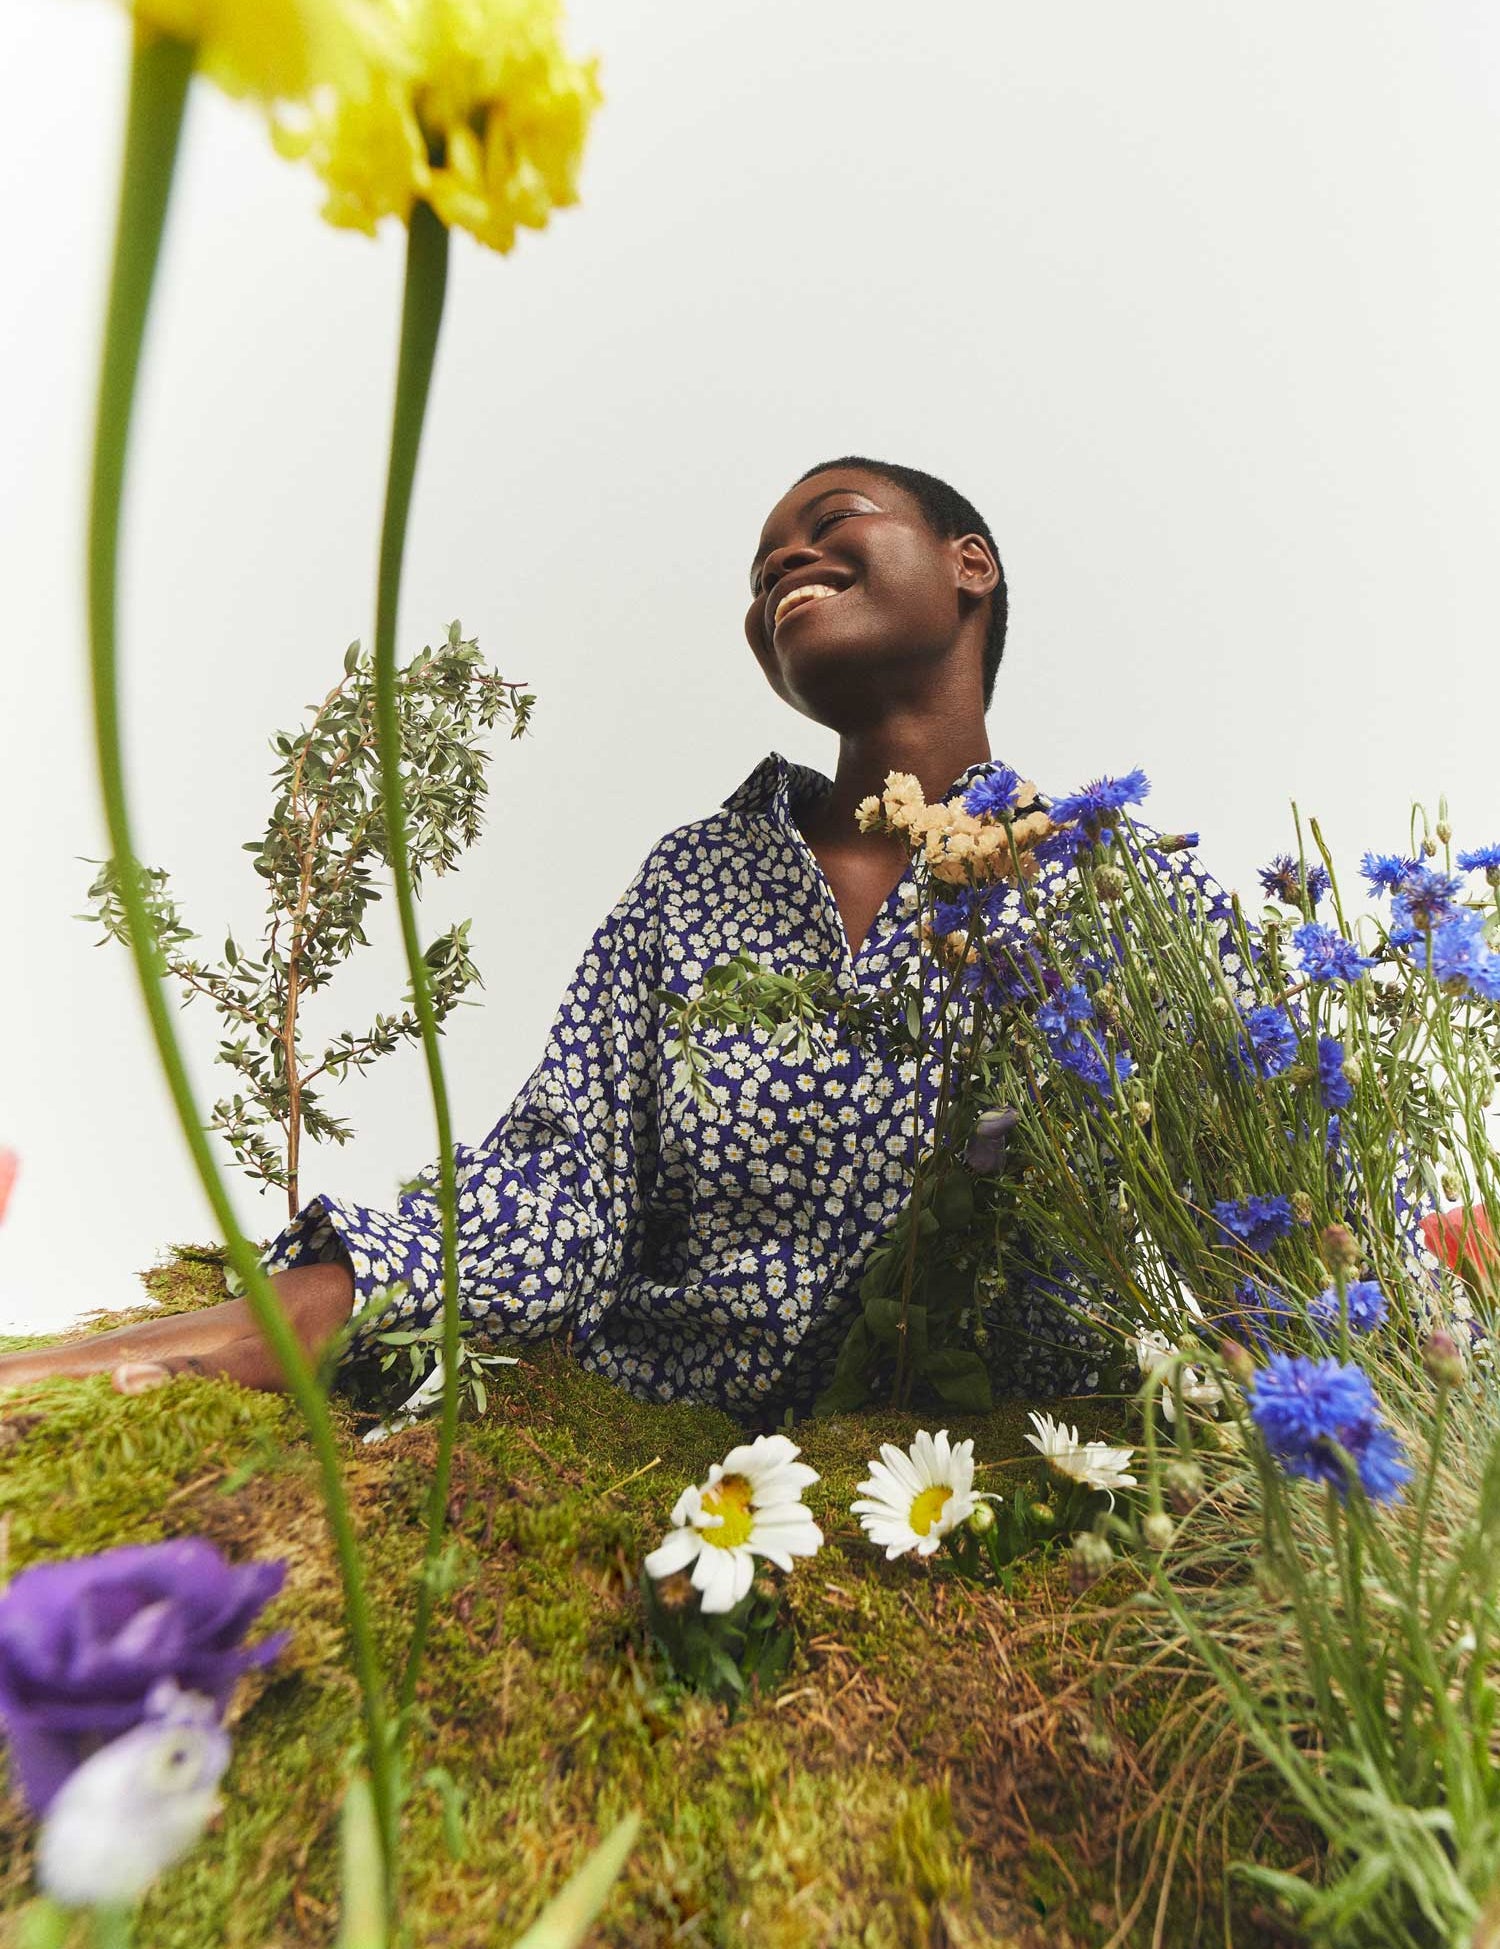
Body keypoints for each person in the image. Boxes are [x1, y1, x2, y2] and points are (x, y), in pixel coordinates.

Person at [0, 458, 1236, 1417]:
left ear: (972, 564)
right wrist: (318, 1299)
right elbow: (562, 1179)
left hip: (1010, 1478)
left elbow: (1265, 1198)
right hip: (660, 1452)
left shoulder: (1108, 890)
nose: (782, 562)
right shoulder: (698, 877)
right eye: (760, 571)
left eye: (832, 517)